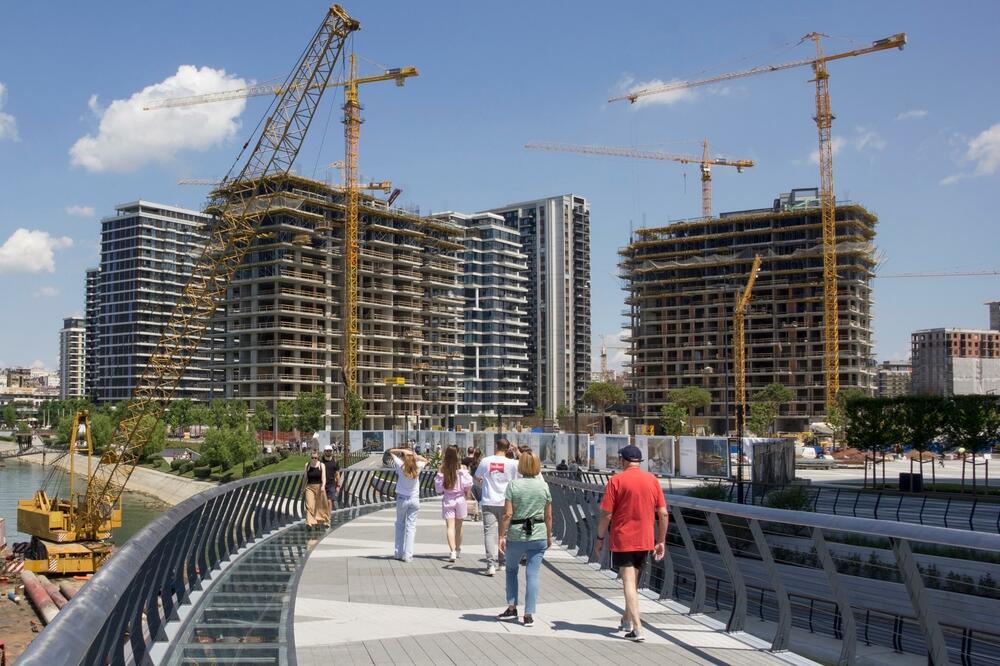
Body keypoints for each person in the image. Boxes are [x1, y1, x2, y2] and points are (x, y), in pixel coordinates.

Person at [594, 445, 668, 642]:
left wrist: (600, 538)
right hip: (645, 539)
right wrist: (660, 540)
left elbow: (607, 514)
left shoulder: (616, 481)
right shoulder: (652, 480)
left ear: (623, 461)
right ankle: (626, 619)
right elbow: (663, 513)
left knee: (627, 582)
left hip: (623, 538)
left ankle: (637, 627)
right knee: (633, 583)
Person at [496, 450, 551, 627]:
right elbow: (548, 516)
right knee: (532, 574)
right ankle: (529, 614)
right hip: (538, 532)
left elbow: (507, 514)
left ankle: (512, 607)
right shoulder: (544, 486)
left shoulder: (513, 485)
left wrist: (501, 535)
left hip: (517, 533)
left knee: (511, 570)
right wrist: (549, 536)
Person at [475, 438, 519, 576]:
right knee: (504, 534)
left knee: (489, 533)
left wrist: (482, 480)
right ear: (508, 449)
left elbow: (476, 476)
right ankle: (502, 562)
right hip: (506, 502)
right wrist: (517, 452)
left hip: (488, 501)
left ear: (496, 446)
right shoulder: (512, 463)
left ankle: (490, 565)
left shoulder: (486, 461)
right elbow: (524, 469)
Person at [434, 446, 474, 561]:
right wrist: (468, 496)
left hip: (448, 498)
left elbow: (438, 488)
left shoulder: (442, 469)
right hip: (460, 498)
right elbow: (468, 484)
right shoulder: (462, 468)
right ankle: (457, 548)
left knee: (450, 526)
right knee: (459, 526)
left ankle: (452, 551)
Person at [388, 446, 428, 562]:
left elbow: (391, 451)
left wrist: (404, 452)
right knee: (411, 527)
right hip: (414, 499)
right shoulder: (418, 466)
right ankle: (408, 555)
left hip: (402, 499)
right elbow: (426, 460)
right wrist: (414, 455)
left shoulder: (401, 465)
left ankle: (398, 553)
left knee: (400, 525)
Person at [303, 450, 330, 528]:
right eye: (312, 458)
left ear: (318, 457)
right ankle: (309, 522)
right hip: (309, 487)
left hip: (319, 487)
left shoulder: (321, 465)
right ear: (310, 457)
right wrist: (302, 488)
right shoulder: (307, 465)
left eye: (315, 458)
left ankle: (321, 520)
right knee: (309, 505)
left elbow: (324, 477)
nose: (314, 459)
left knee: (320, 506)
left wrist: (323, 486)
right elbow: (305, 477)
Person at [320, 444, 342, 509]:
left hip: (331, 484)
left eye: (330, 451)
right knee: (323, 501)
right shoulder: (320, 461)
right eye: (327, 451)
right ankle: (324, 515)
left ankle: (328, 516)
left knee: (329, 501)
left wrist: (338, 485)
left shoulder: (335, 461)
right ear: (324, 451)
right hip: (322, 484)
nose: (329, 452)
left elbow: (337, 474)